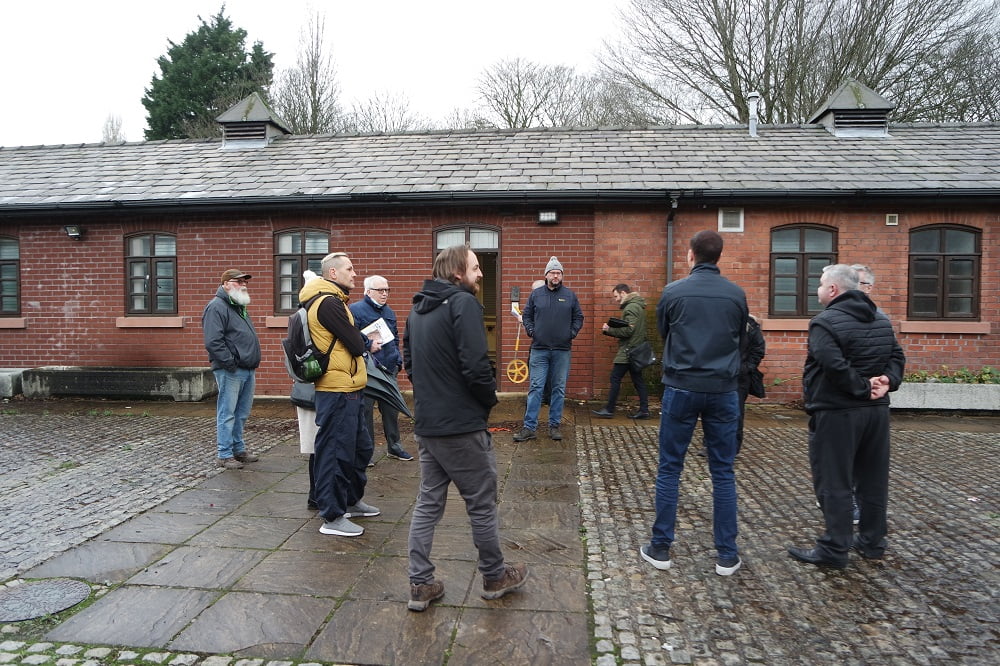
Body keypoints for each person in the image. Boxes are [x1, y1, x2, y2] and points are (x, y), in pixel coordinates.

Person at [403, 244, 528, 611]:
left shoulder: (416, 309)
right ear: (458, 272)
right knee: (481, 504)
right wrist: (487, 402)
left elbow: (409, 364)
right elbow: (477, 365)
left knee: (428, 503)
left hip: (428, 424)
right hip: (461, 427)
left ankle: (420, 583)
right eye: (476, 267)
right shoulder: (464, 304)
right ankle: (494, 576)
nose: (481, 273)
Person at [640, 230, 748, 576]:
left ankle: (660, 548)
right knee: (722, 471)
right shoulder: (736, 295)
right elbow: (740, 340)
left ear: (690, 255)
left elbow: (665, 332)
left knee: (670, 467)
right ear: (719, 256)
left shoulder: (674, 292)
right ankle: (727, 555)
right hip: (723, 389)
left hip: (682, 386)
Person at [788, 264, 905, 569]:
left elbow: (833, 365)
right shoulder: (881, 319)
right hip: (876, 414)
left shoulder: (824, 323)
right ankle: (872, 542)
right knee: (872, 480)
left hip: (838, 413)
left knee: (834, 481)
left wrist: (863, 387)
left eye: (820, 284)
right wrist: (887, 382)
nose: (817, 289)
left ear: (834, 290)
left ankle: (834, 549)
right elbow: (896, 356)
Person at [301, 252, 379, 537]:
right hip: (336, 390)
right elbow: (356, 344)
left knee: (360, 448)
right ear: (332, 273)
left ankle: (351, 500)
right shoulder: (327, 303)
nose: (354, 273)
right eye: (349, 268)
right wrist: (365, 342)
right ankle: (332, 516)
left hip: (350, 386)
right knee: (336, 452)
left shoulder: (335, 301)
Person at [513, 257, 584, 442]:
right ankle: (529, 427)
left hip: (562, 350)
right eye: (552, 272)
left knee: (558, 389)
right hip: (540, 349)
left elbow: (578, 317)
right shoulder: (537, 295)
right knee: (535, 387)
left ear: (562, 276)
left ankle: (554, 426)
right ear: (546, 275)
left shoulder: (570, 295)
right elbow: (527, 315)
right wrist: (531, 330)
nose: (555, 275)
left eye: (558, 273)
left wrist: (572, 333)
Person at [202, 269, 262, 470]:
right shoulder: (217, 307)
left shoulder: (238, 306)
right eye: (238, 281)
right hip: (231, 370)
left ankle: (238, 449)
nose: (243, 285)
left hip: (246, 368)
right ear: (226, 283)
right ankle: (224, 454)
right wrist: (230, 363)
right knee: (227, 413)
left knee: (241, 413)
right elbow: (213, 341)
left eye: (245, 281)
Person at [350, 275, 413, 461]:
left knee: (391, 410)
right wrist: (367, 344)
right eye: (381, 290)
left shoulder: (389, 312)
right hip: (368, 370)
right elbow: (352, 338)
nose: (385, 294)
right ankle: (366, 452)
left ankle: (394, 447)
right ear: (368, 291)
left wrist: (398, 360)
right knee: (366, 412)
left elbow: (394, 337)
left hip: (389, 368)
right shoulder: (354, 310)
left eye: (387, 290)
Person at [592, 283, 650, 419]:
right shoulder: (637, 306)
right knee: (638, 380)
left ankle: (609, 409)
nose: (616, 299)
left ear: (623, 293)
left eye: (616, 296)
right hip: (635, 349)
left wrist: (609, 330)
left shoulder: (631, 307)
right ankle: (644, 410)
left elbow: (629, 330)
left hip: (628, 350)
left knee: (615, 378)